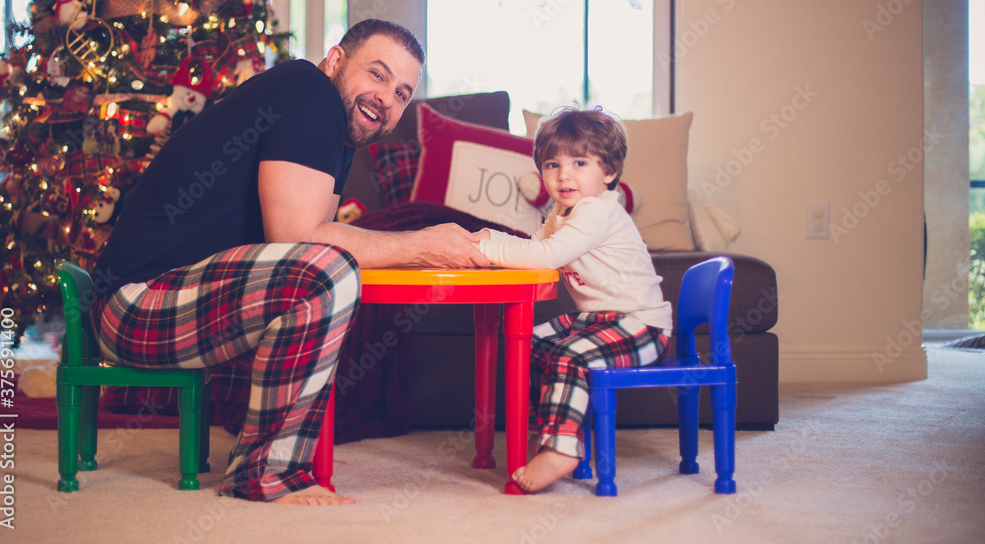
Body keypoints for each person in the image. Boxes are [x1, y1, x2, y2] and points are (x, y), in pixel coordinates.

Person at [88, 19, 489, 506]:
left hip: (171, 298)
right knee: (326, 273)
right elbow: (301, 242)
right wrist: (419, 244)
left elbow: (309, 238)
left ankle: (283, 453)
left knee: (328, 269)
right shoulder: (309, 92)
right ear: (336, 61)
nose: (387, 98)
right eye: (378, 75)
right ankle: (263, 473)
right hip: (134, 308)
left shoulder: (335, 131)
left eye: (403, 93)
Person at [473, 106, 673, 492]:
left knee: (569, 356)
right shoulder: (564, 211)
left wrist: (489, 249)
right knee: (531, 342)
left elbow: (547, 258)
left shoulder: (595, 211)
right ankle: (550, 427)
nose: (563, 174)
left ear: (609, 172)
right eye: (552, 164)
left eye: (579, 162)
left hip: (641, 324)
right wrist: (491, 239)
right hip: (604, 320)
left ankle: (563, 449)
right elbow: (536, 247)